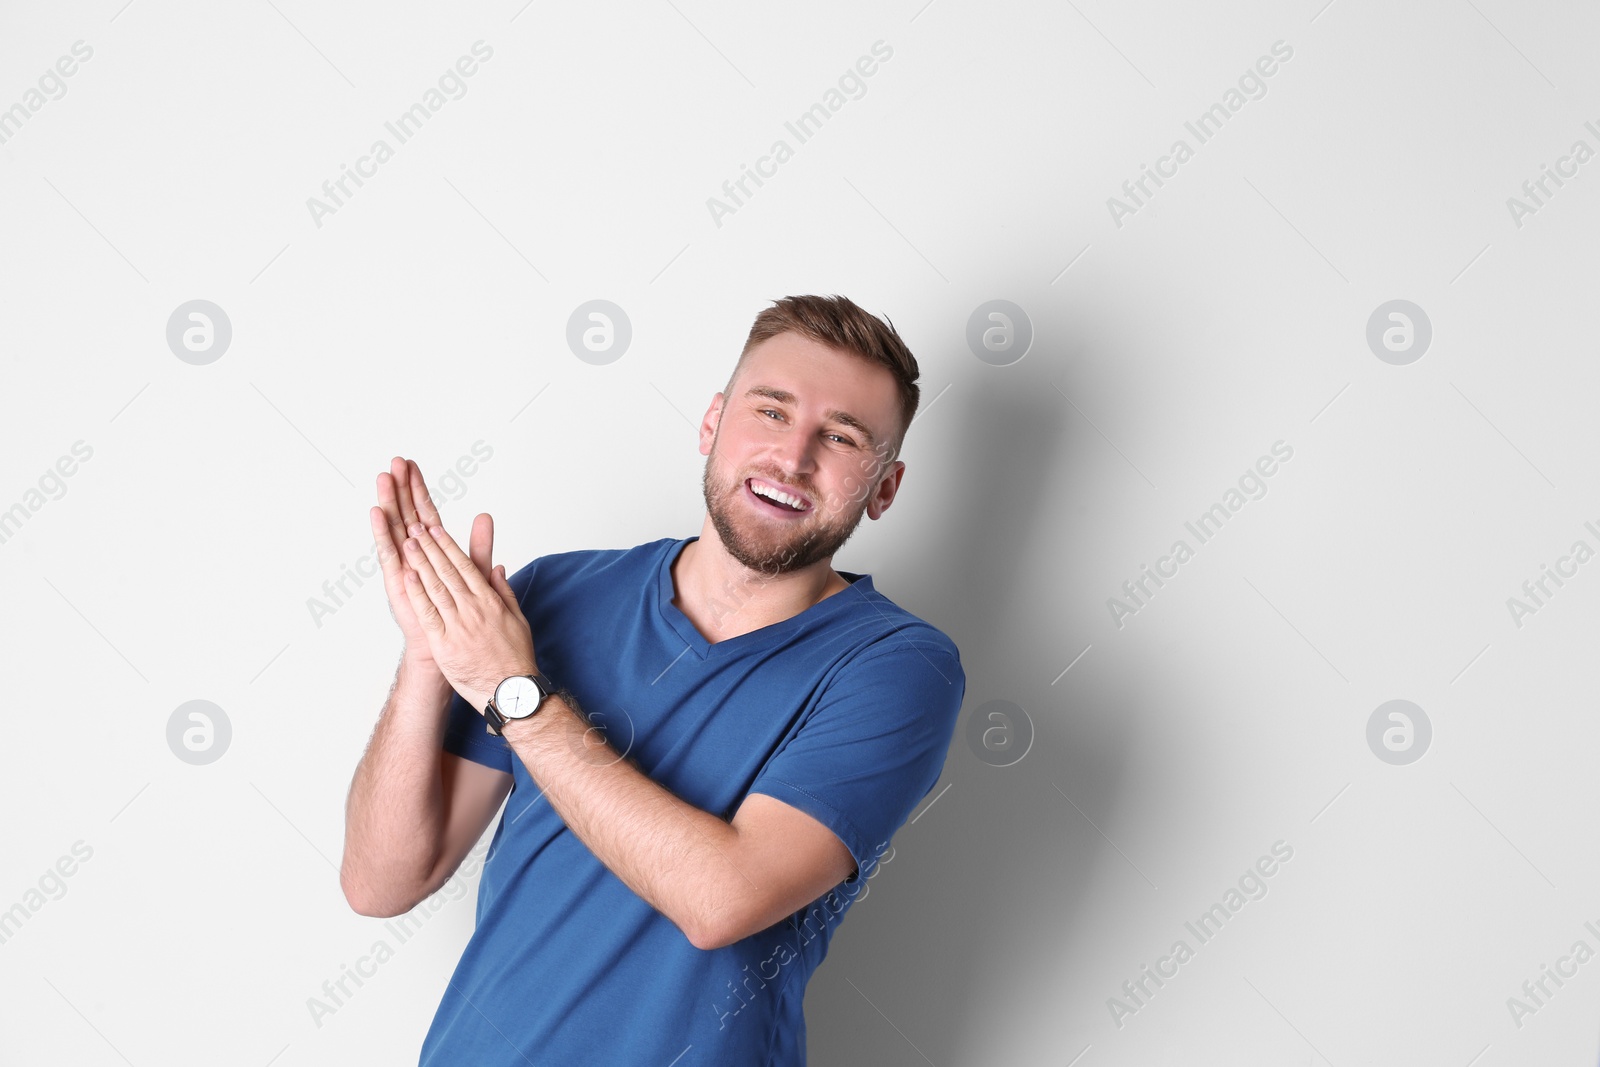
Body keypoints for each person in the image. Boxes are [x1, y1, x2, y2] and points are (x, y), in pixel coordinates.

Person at [339, 294, 967, 1064]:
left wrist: (514, 689)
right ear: (712, 422)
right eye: (770, 412)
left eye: (839, 437)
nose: (793, 457)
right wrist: (432, 660)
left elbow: (721, 899)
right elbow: (381, 883)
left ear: (885, 487)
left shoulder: (897, 667)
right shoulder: (552, 598)